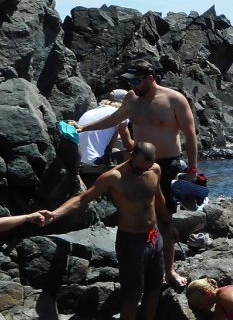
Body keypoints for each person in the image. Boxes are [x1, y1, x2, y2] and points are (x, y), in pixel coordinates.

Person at [77, 60, 198, 287]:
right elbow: (114, 119)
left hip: (168, 164)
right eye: (129, 81)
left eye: (136, 81)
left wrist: (192, 169)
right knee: (139, 215)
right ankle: (144, 260)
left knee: (165, 218)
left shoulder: (174, 99)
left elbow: (191, 135)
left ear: (151, 76)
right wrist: (84, 128)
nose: (132, 86)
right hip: (137, 164)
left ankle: (169, 270)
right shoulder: (131, 99)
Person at [47, 141, 172, 320]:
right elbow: (82, 198)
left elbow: (158, 197)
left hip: (154, 236)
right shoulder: (114, 177)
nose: (143, 171)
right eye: (139, 167)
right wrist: (56, 214)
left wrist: (168, 223)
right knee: (132, 293)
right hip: (131, 240)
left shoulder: (155, 169)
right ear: (131, 155)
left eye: (147, 168)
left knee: (154, 288)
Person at [76, 90, 132, 166]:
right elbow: (128, 145)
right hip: (93, 160)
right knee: (134, 154)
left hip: (77, 158)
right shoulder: (119, 115)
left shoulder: (93, 111)